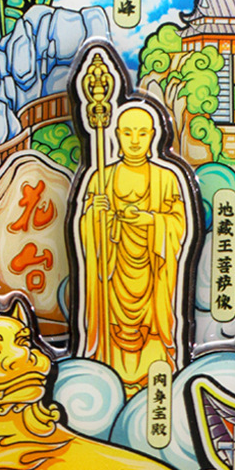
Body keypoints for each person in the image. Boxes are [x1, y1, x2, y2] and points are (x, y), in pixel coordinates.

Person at [79, 106, 189, 395]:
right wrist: (96, 215)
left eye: (142, 133)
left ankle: (151, 375)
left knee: (152, 326)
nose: (135, 140)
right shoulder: (101, 177)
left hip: (152, 273)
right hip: (113, 272)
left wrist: (151, 220)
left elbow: (178, 224)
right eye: (128, 133)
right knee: (112, 323)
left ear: (153, 135)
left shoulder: (166, 178)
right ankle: (108, 374)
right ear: (117, 135)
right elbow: (87, 230)